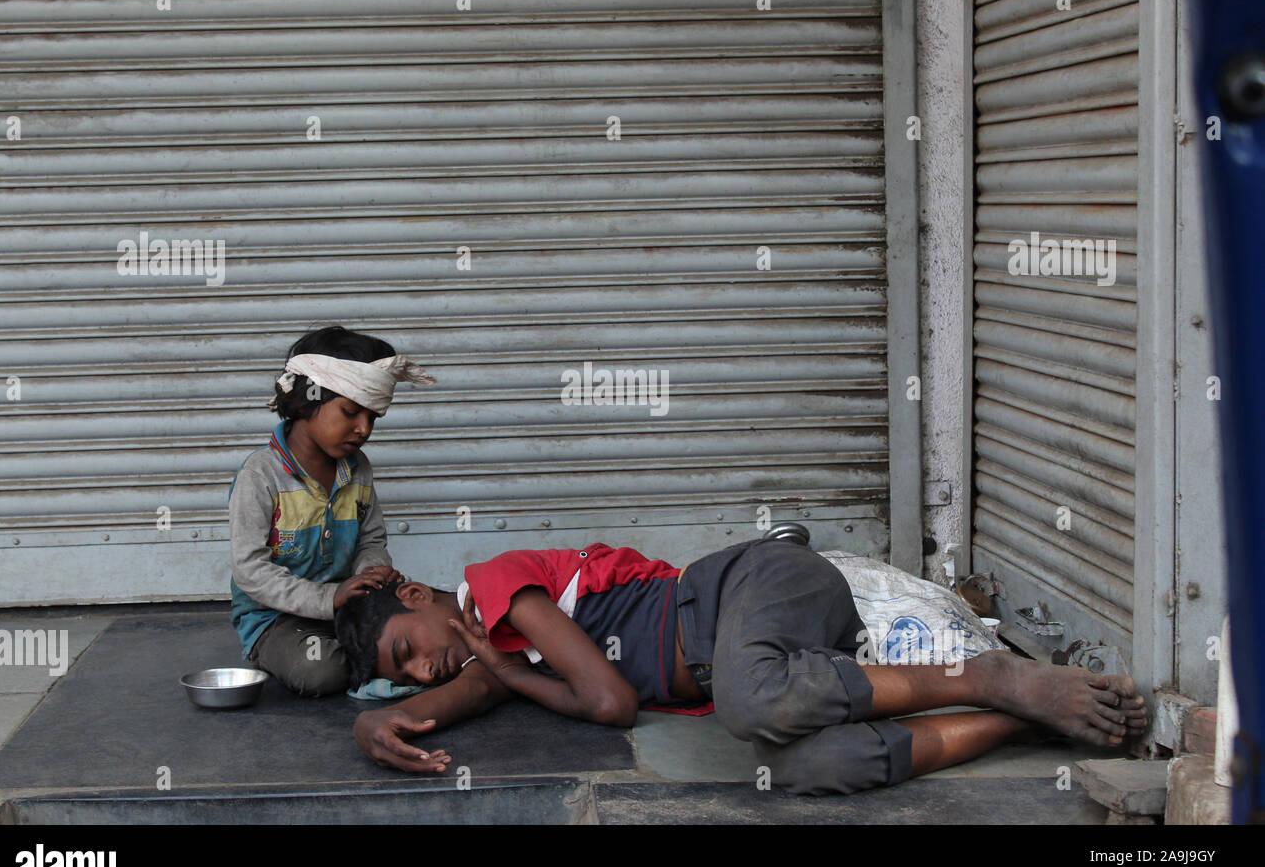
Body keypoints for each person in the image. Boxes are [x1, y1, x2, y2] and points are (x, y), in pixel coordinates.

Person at [336, 537, 1149, 794]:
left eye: (409, 646)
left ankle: (989, 676)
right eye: (403, 673)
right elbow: (473, 690)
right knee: (809, 766)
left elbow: (611, 701)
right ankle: (1016, 717)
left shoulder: (496, 586)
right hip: (764, 658)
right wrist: (382, 719)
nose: (421, 669)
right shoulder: (499, 657)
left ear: (418, 592)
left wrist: (503, 677)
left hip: (756, 586)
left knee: (751, 706)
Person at [227, 325, 434, 696]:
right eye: (351, 412)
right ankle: (275, 654)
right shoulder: (261, 475)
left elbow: (370, 539)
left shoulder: (358, 468)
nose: (363, 429)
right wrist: (328, 599)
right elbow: (250, 571)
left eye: (372, 418)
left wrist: (372, 574)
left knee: (425, 633)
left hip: (346, 607)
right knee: (323, 672)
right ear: (308, 400)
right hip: (276, 620)